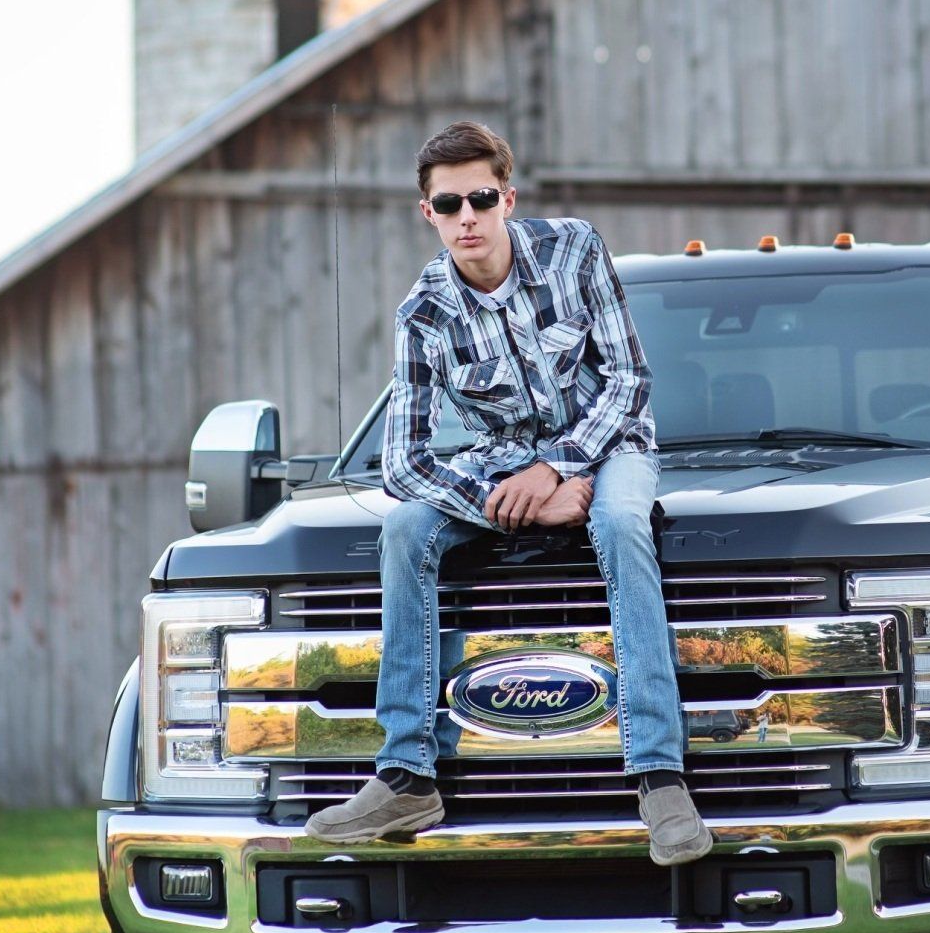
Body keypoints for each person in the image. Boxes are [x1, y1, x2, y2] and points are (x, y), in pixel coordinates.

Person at [304, 120, 712, 865]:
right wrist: (504, 495)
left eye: (481, 199)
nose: (468, 218)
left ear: (508, 199)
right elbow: (402, 460)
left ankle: (659, 778)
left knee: (621, 524)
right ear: (426, 213)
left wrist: (557, 470)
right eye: (449, 203)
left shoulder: (575, 250)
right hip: (505, 468)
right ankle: (405, 775)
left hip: (609, 443)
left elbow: (627, 380)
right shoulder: (423, 315)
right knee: (403, 529)